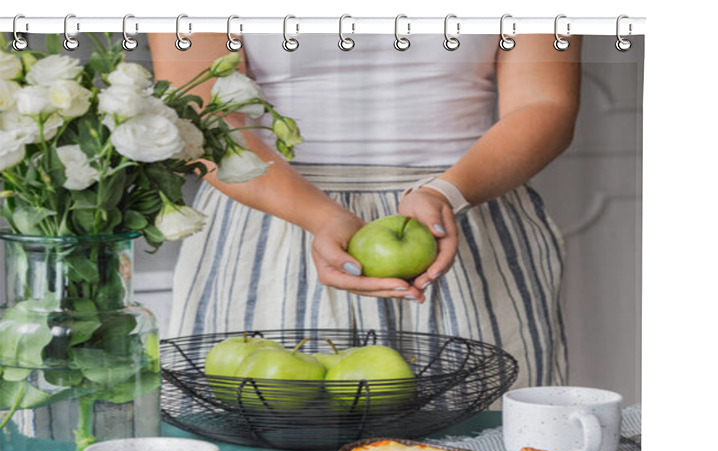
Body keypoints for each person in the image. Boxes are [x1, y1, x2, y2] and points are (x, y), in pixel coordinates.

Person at [148, 32, 581, 387]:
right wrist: (321, 217)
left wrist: (446, 193)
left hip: (458, 217)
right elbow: (197, 110)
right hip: (272, 215)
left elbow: (545, 103)